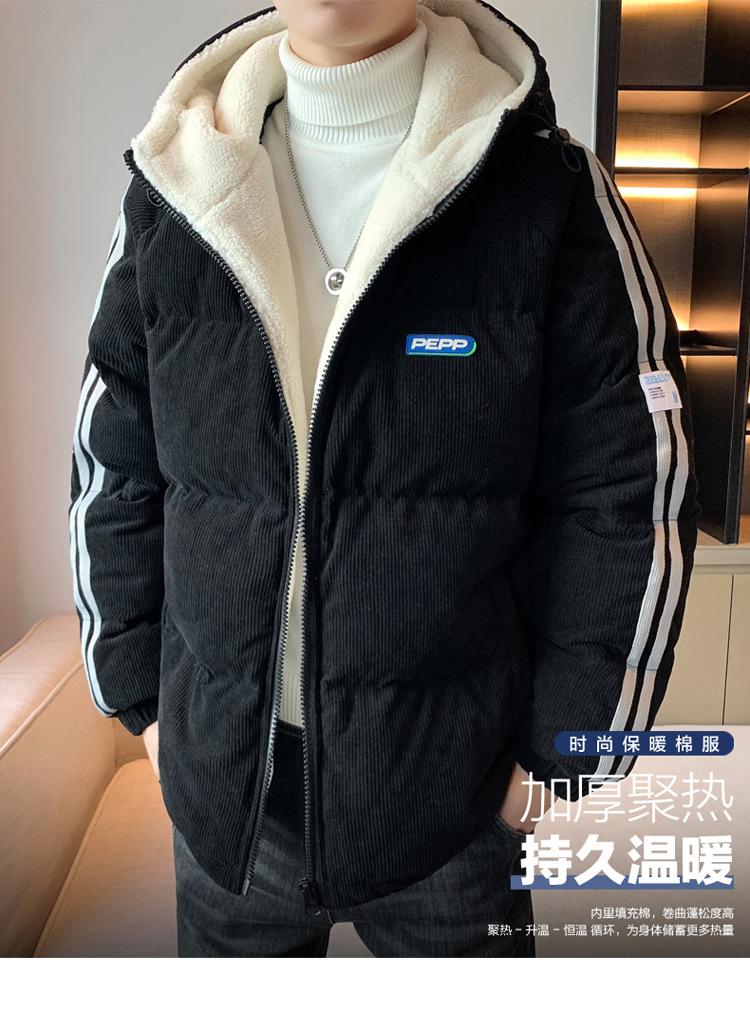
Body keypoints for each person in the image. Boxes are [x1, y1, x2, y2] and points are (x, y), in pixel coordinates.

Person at [68, 0, 700, 957]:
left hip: (457, 811)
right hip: (228, 807)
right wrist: (145, 709)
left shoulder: (549, 191)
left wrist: (562, 756)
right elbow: (113, 464)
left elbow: (632, 484)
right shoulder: (175, 187)